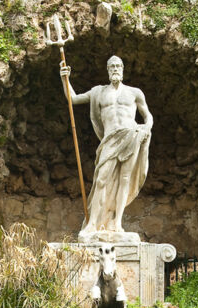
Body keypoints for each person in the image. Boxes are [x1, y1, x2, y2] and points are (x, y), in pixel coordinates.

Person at [60, 56, 153, 239]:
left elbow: (147, 115)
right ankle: (93, 223)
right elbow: (73, 99)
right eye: (112, 66)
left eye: (118, 66)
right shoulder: (99, 92)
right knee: (101, 179)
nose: (115, 69)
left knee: (124, 179)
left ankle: (117, 223)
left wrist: (146, 128)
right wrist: (65, 79)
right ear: (108, 70)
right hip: (110, 139)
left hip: (131, 135)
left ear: (123, 69)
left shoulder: (135, 93)